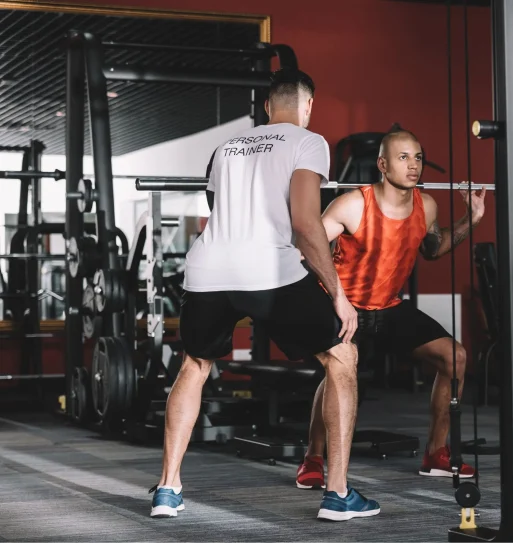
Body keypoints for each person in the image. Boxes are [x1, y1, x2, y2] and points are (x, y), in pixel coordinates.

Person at [149, 68, 380, 522]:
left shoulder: (227, 147)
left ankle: (167, 488)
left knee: (194, 366)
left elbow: (218, 212)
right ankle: (337, 494)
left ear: (268, 107)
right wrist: (337, 293)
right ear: (307, 106)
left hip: (207, 268)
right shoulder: (308, 141)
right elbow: (306, 224)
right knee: (341, 358)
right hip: (269, 269)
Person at [295, 129, 486, 490]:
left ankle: (436, 453)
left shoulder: (426, 205)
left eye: (417, 157)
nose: (414, 165)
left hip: (390, 307)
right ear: (382, 164)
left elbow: (433, 248)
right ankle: (314, 458)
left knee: (455, 358)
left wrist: (470, 220)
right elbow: (308, 246)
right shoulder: (353, 204)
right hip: (346, 309)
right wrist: (333, 298)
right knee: (337, 376)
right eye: (403, 157)